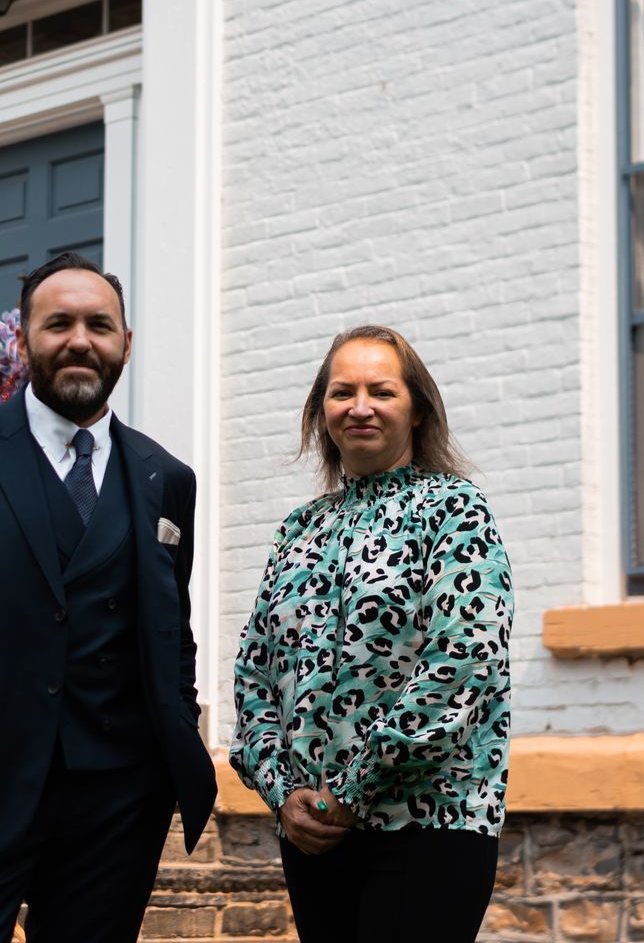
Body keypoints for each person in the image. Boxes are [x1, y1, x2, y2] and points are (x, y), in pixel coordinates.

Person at [0, 252, 217, 943]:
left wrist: (170, 746)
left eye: (99, 324)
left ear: (126, 343)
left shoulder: (166, 477)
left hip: (119, 802)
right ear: (25, 339)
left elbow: (169, 629)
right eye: (57, 322)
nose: (79, 340)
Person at [230, 325, 514, 943]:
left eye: (381, 391)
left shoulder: (454, 510)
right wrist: (284, 794)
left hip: (429, 824)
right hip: (314, 836)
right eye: (341, 393)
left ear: (416, 411)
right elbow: (254, 672)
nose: (360, 407)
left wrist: (351, 791)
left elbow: (465, 662)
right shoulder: (298, 531)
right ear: (320, 413)